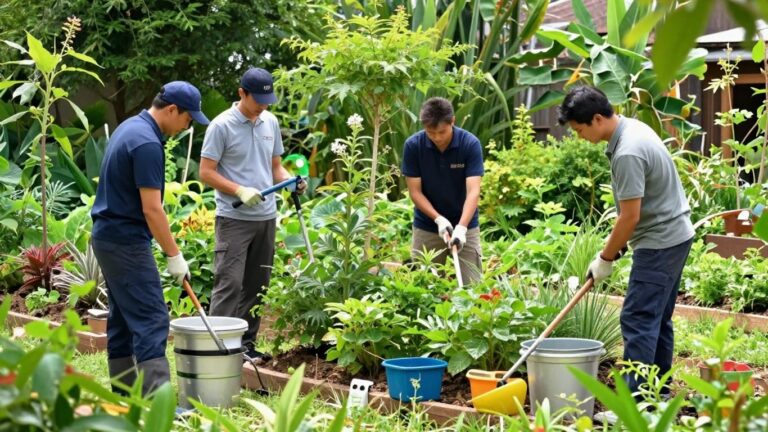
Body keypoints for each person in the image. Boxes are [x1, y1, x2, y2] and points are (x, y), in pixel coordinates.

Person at [558, 86, 694, 395]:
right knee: (656, 319)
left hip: (660, 241)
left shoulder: (627, 152)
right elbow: (633, 214)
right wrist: (614, 248)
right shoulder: (632, 127)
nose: (580, 137)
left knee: (638, 318)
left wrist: (605, 259)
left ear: (596, 119)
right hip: (674, 235)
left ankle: (635, 404)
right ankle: (656, 395)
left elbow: (630, 216)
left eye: (580, 130)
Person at [91, 81, 210, 395]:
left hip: (108, 237)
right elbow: (152, 209)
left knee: (122, 317)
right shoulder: (147, 143)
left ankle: (124, 391)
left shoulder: (130, 128)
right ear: (172, 110)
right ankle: (159, 401)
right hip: (125, 241)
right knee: (152, 317)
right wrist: (174, 255)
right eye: (187, 119)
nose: (187, 127)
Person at [199, 67, 305, 361]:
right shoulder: (221, 126)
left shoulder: (269, 121)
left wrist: (291, 181)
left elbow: (275, 168)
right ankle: (215, 349)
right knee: (229, 283)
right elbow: (206, 173)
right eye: (257, 99)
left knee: (258, 286)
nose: (263, 105)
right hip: (234, 219)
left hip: (266, 218)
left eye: (267, 99)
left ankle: (245, 346)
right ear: (241, 93)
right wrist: (239, 189)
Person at [401, 97, 484, 285]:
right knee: (423, 287)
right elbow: (415, 192)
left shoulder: (469, 144)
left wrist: (461, 228)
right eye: (431, 132)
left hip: (466, 225)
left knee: (472, 287)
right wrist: (438, 219)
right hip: (428, 226)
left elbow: (473, 192)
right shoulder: (413, 146)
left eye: (442, 132)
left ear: (452, 121)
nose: (437, 137)